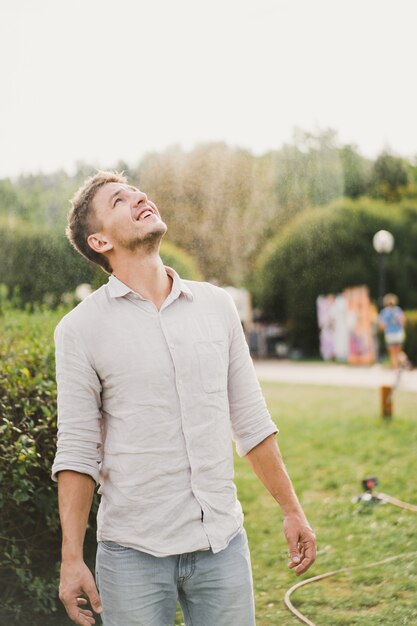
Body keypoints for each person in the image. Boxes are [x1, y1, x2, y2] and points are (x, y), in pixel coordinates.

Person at [52, 171, 316, 626]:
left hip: (223, 546)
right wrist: (72, 558)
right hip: (132, 555)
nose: (139, 197)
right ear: (99, 241)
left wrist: (292, 510)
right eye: (119, 200)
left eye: (138, 191)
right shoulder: (79, 330)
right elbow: (77, 451)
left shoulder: (218, 307)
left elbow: (251, 421)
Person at [378, 293, 406, 369]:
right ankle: (403, 361)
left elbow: (382, 326)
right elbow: (403, 322)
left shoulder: (384, 312)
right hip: (399, 333)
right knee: (399, 352)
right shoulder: (398, 310)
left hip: (390, 334)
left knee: (393, 354)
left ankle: (396, 370)